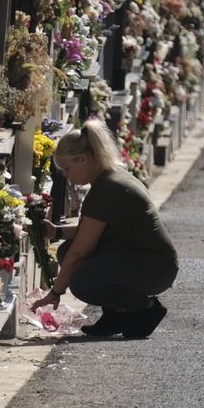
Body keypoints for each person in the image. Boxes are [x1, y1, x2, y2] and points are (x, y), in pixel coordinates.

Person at [29, 120, 178, 339]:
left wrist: (56, 292)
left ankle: (145, 308)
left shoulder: (106, 189)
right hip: (145, 259)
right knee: (66, 252)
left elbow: (81, 251)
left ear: (83, 160)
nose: (66, 176)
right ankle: (116, 315)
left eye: (67, 168)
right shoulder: (112, 177)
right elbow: (88, 232)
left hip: (154, 267)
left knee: (81, 280)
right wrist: (57, 232)